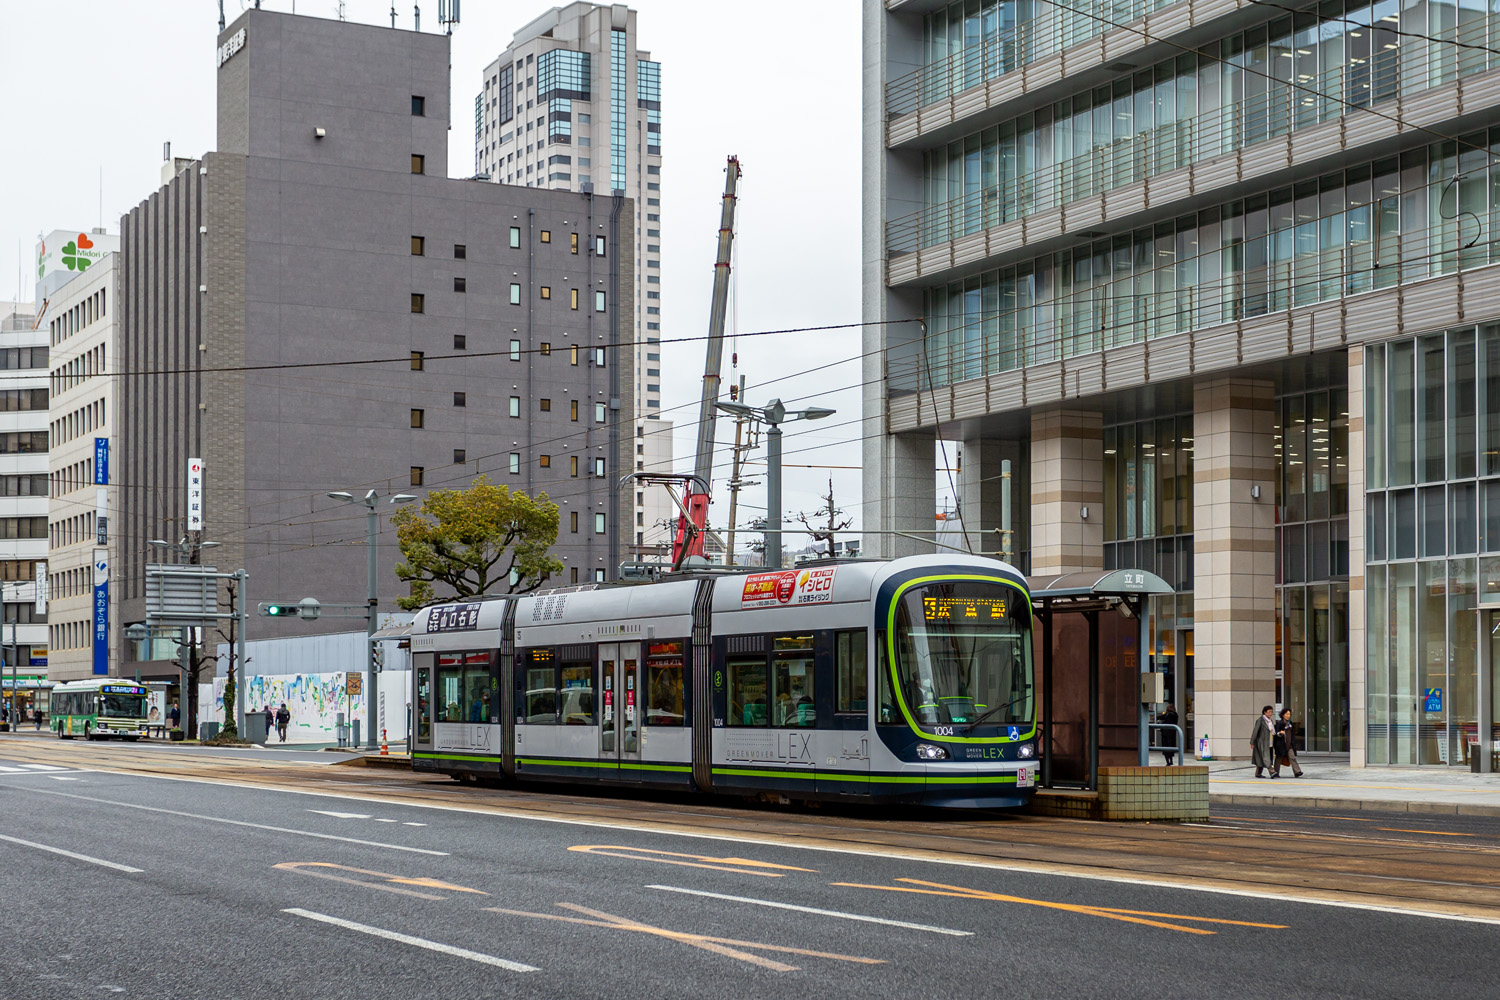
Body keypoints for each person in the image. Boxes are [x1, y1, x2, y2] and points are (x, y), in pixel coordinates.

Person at [1272, 708, 1304, 778]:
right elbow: (1275, 734)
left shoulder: (1290, 723)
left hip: (1289, 744)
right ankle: (1275, 772)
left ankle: (1297, 772)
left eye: (1289, 714)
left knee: (1292, 757)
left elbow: (1292, 734)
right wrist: (1280, 733)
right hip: (1281, 744)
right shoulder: (1279, 723)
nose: (1288, 716)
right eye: (1286, 714)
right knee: (1279, 759)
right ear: (1283, 715)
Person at [1248, 704, 1275, 778]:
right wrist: (1252, 742)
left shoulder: (1270, 721)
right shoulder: (1260, 720)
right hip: (1262, 742)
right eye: (1269, 712)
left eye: (1271, 712)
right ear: (1264, 712)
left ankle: (1258, 773)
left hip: (1269, 742)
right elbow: (1255, 732)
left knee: (1261, 758)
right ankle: (1272, 772)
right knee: (1266, 758)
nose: (1270, 713)